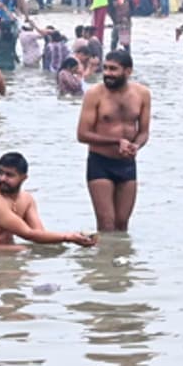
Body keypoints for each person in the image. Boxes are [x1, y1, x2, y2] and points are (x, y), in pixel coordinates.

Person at [0, 153, 97, 250]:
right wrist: (68, 237)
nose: (2, 179)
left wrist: (79, 239)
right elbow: (28, 234)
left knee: (52, 250)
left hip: (0, 247)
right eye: (0, 173)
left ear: (24, 178)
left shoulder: (27, 199)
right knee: (25, 251)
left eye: (9, 175)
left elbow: (39, 233)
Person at [77, 50, 150, 233]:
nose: (107, 74)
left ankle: (121, 260)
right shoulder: (95, 94)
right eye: (105, 68)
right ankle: (103, 260)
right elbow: (82, 134)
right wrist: (117, 141)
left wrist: (136, 146)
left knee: (122, 225)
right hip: (100, 162)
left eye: (113, 69)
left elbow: (143, 132)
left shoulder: (142, 94)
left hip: (127, 164)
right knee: (107, 225)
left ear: (128, 71)